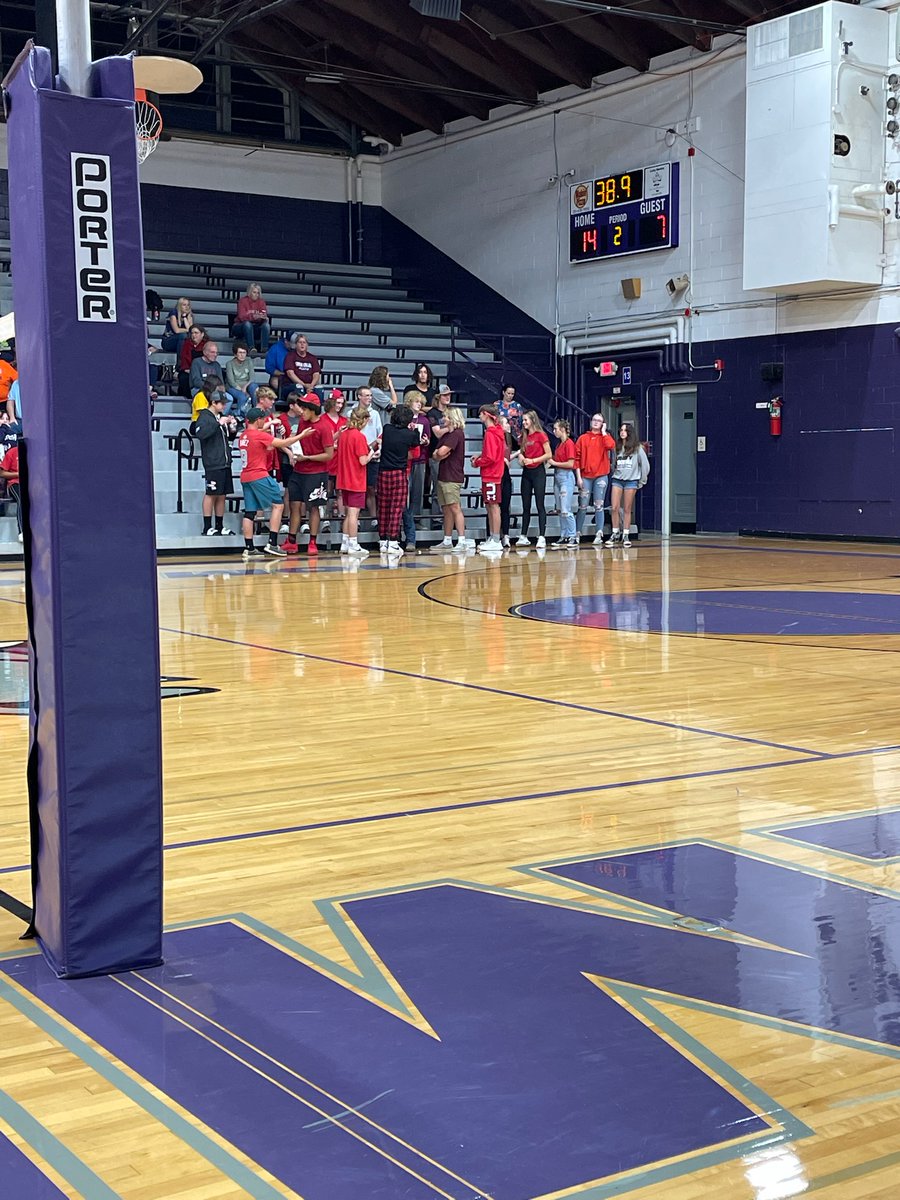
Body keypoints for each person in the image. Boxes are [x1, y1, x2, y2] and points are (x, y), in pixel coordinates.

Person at [237, 406, 305, 559]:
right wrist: (301, 435)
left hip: (246, 476)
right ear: (258, 420)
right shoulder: (259, 436)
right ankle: (272, 543)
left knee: (250, 512)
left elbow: (259, 433)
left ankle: (249, 548)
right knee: (278, 505)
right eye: (263, 420)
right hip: (259, 475)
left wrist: (271, 423)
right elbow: (283, 442)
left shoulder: (244, 435)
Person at [283, 394, 335, 557]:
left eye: (304, 408)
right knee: (294, 505)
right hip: (299, 470)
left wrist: (308, 458)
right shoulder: (302, 423)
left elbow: (329, 455)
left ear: (313, 409)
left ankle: (313, 541)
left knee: (314, 507)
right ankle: (291, 540)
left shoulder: (324, 427)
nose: (301, 411)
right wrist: (295, 454)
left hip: (317, 473)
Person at [189, 392, 238, 536]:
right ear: (214, 403)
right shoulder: (205, 417)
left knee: (222, 494)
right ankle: (207, 526)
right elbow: (201, 434)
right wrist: (218, 423)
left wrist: (232, 428)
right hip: (213, 461)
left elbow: (227, 437)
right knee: (211, 493)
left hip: (224, 461)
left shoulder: (218, 417)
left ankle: (219, 525)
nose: (224, 406)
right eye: (222, 403)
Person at [377, 404, 420, 559]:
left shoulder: (387, 429)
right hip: (399, 473)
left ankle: (382, 540)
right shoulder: (409, 435)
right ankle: (393, 541)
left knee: (383, 507)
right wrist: (415, 429)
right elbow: (416, 442)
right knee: (397, 508)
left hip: (383, 472)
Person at [336, 406, 377, 557]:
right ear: (364, 420)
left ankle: (345, 543)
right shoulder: (359, 437)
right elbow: (363, 461)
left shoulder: (344, 435)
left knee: (348, 513)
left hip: (344, 478)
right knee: (354, 514)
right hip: (356, 479)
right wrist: (372, 453)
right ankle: (353, 544)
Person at [432, 407, 473, 551]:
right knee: (446, 509)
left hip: (452, 476)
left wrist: (439, 453)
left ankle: (462, 540)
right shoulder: (446, 435)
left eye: (446, 417)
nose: (443, 419)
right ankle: (447, 540)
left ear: (452, 418)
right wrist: (439, 454)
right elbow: (435, 454)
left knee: (455, 507)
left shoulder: (456, 434)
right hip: (443, 474)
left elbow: (441, 452)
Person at [574, 413, 616, 546]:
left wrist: (604, 432)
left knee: (599, 505)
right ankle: (577, 533)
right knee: (583, 505)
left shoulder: (605, 438)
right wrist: (578, 477)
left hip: (601, 475)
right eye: (594, 420)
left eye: (599, 421)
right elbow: (577, 458)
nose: (596, 422)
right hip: (585, 476)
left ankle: (599, 533)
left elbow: (611, 445)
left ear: (603, 424)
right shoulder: (583, 438)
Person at [608, 421, 650, 548]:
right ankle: (615, 533)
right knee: (614, 507)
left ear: (630, 433)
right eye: (621, 429)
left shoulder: (637, 448)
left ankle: (626, 534)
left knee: (627, 509)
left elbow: (645, 466)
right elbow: (613, 463)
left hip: (631, 481)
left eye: (625, 430)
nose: (622, 432)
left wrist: (642, 481)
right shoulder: (617, 447)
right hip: (617, 479)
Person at [515, 410, 551, 550]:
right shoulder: (523, 436)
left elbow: (548, 454)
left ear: (533, 420)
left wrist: (533, 460)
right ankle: (523, 535)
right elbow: (521, 453)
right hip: (526, 473)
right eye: (523, 420)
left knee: (540, 504)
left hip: (538, 472)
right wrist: (522, 459)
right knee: (526, 505)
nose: (524, 423)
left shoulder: (541, 435)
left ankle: (542, 536)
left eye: (526, 420)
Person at [472, 404, 505, 554]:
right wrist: (480, 456)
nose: (479, 417)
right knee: (490, 505)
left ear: (485, 414)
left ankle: (496, 539)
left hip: (491, 473)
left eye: (480, 414)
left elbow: (490, 457)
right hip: (493, 473)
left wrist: (478, 462)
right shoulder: (497, 432)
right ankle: (493, 537)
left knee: (493, 506)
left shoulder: (491, 433)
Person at [401, 390, 431, 551]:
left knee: (417, 491)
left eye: (420, 401)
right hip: (406, 460)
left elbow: (428, 439)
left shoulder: (424, 420)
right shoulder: (404, 418)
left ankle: (416, 517)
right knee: (406, 490)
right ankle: (406, 519)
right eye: (415, 401)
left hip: (420, 459)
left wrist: (425, 442)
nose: (418, 404)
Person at [354, 386, 383, 517]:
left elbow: (380, 435)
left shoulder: (375, 414)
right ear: (359, 396)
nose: (369, 398)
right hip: (356, 456)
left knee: (371, 487)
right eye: (366, 395)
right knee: (356, 489)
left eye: (371, 395)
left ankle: (373, 518)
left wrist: (377, 449)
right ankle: (356, 518)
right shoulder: (352, 413)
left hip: (372, 455)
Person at [549, 418, 578, 549]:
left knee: (566, 509)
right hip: (558, 477)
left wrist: (554, 463)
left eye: (555, 429)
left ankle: (573, 536)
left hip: (566, 476)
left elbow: (571, 463)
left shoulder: (569, 443)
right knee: (560, 510)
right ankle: (564, 535)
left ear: (562, 430)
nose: (554, 431)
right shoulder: (559, 444)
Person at [425, 383, 452, 514]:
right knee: (437, 487)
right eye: (445, 395)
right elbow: (437, 432)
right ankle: (436, 517)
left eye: (449, 395)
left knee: (449, 487)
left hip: (450, 453)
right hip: (435, 453)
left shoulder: (451, 411)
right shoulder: (432, 413)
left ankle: (447, 517)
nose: (448, 397)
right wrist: (450, 427)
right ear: (438, 397)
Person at [232, 283, 270, 354]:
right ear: (250, 292)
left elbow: (263, 314)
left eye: (258, 293)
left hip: (255, 326)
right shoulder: (242, 301)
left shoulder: (261, 302)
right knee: (247, 324)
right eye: (254, 292)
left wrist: (263, 318)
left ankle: (264, 348)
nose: (256, 295)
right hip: (240, 326)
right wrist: (254, 317)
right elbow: (242, 317)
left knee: (266, 325)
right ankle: (251, 348)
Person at [224, 342, 257, 415]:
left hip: (246, 386)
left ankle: (256, 411)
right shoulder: (229, 364)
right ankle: (241, 417)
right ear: (235, 354)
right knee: (242, 397)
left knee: (254, 386)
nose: (242, 355)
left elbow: (252, 378)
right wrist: (243, 391)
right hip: (233, 387)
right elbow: (231, 381)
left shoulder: (249, 361)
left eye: (244, 352)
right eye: (240, 352)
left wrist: (245, 388)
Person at [498, 414, 514, 549]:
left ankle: (506, 536)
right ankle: (493, 535)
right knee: (495, 506)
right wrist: (502, 459)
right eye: (505, 423)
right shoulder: (496, 438)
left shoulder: (509, 438)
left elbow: (508, 455)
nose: (508, 425)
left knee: (506, 507)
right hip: (498, 474)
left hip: (506, 474)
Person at [177, 324, 207, 397]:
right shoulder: (186, 344)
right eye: (192, 333)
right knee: (184, 378)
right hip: (188, 370)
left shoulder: (206, 345)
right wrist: (189, 370)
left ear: (202, 334)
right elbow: (183, 359)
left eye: (196, 333)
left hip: (203, 371)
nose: (193, 335)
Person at [0, 438, 21, 542]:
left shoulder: (35, 454)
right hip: (15, 483)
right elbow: (2, 473)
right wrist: (19, 474)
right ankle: (21, 531)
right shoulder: (12, 452)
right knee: (22, 499)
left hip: (34, 484)